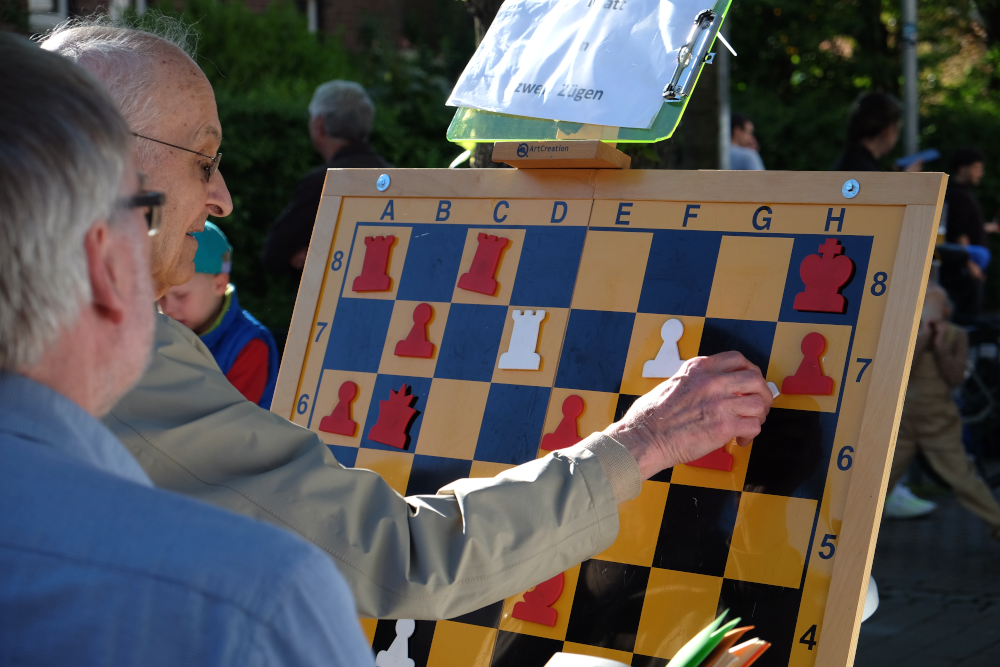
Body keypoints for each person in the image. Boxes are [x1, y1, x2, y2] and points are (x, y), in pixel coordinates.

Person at [42, 18, 774, 620]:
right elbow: (405, 558)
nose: (223, 198)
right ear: (105, 169)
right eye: (204, 162)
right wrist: (645, 438)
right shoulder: (98, 348)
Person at [0, 34, 373, 665]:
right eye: (139, 211)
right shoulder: (257, 604)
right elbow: (396, 551)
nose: (223, 198)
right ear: (101, 256)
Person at [885, 282, 1000, 538]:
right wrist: (920, 339)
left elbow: (955, 376)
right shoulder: (906, 336)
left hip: (939, 424)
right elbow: (898, 373)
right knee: (881, 480)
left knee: (962, 479)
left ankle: (997, 522)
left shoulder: (956, 335)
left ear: (945, 311)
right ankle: (846, 529)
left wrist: (939, 347)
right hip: (902, 423)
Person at [261, 80, 390, 276]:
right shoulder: (394, 177)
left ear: (318, 125)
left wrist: (314, 254)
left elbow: (274, 255)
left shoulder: (323, 182)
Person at [158, 222, 279, 407]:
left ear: (219, 285)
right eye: (160, 296)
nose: (168, 308)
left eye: (181, 296)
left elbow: (230, 424)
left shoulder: (250, 346)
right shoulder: (157, 330)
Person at [831, 92, 921, 172]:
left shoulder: (850, 160)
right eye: (897, 130)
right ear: (889, 131)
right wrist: (906, 182)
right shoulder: (864, 168)